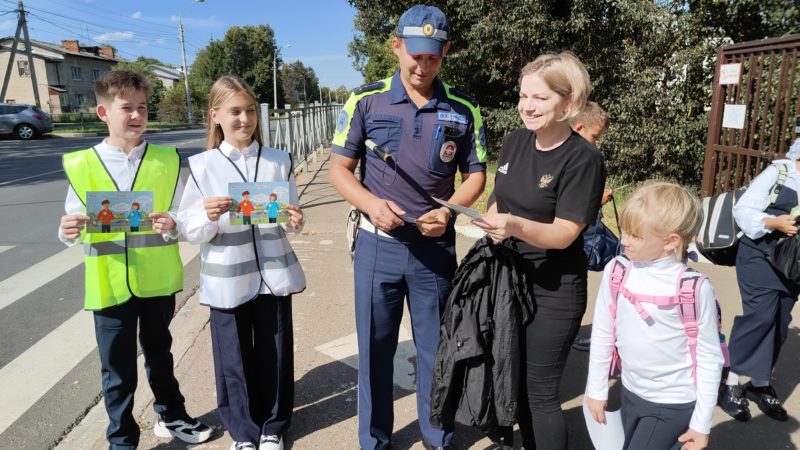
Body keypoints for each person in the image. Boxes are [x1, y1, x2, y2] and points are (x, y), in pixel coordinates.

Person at [328, 5, 487, 449]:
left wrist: (452, 211)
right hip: (378, 246)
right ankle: (374, 440)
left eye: (433, 56)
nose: (422, 65)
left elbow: (475, 174)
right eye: (415, 54)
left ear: (445, 52)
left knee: (436, 351)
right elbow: (340, 170)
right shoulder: (365, 99)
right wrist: (370, 205)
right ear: (397, 46)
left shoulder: (464, 107)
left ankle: (437, 435)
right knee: (375, 351)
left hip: (434, 251)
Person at [58, 70, 211, 450]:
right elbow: (71, 222)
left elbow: (182, 215)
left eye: (142, 107)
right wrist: (67, 231)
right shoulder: (81, 164)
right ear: (103, 112)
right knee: (117, 369)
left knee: (161, 353)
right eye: (126, 107)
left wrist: (172, 222)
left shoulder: (167, 159)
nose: (136, 115)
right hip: (108, 282)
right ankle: (122, 439)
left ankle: (171, 415)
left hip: (157, 279)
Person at [472, 52, 604, 450]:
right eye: (522, 96)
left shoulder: (583, 158)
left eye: (540, 98)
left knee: (540, 391)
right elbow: (499, 196)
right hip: (509, 280)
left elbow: (565, 233)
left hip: (554, 289)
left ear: (568, 103)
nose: (526, 106)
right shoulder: (515, 141)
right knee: (513, 380)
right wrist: (492, 219)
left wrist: (513, 226)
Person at [177, 75, 306, 450]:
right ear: (215, 115)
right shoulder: (202, 166)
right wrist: (209, 216)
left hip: (275, 276)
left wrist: (296, 220)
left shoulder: (279, 160)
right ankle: (244, 433)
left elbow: (292, 218)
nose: (244, 119)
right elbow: (189, 228)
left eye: (250, 110)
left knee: (276, 352)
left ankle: (272, 428)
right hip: (227, 279)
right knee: (233, 359)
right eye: (235, 111)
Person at [585, 181, 725, 450]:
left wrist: (701, 422)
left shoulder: (693, 288)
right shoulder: (617, 270)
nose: (623, 240)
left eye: (635, 235)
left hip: (672, 403)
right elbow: (603, 331)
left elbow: (709, 357)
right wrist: (596, 388)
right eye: (624, 230)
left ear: (670, 241)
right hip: (630, 391)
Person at [719, 138, 800, 423]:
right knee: (760, 319)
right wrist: (774, 223)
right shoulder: (779, 172)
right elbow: (743, 211)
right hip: (760, 257)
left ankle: (759, 383)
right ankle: (729, 384)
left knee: (778, 325)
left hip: (792, 264)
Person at [569, 101, 612, 351]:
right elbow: (576, 202)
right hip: (573, 241)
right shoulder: (584, 158)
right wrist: (598, 199)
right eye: (594, 136)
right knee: (575, 293)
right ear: (579, 126)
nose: (595, 143)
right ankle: (571, 336)